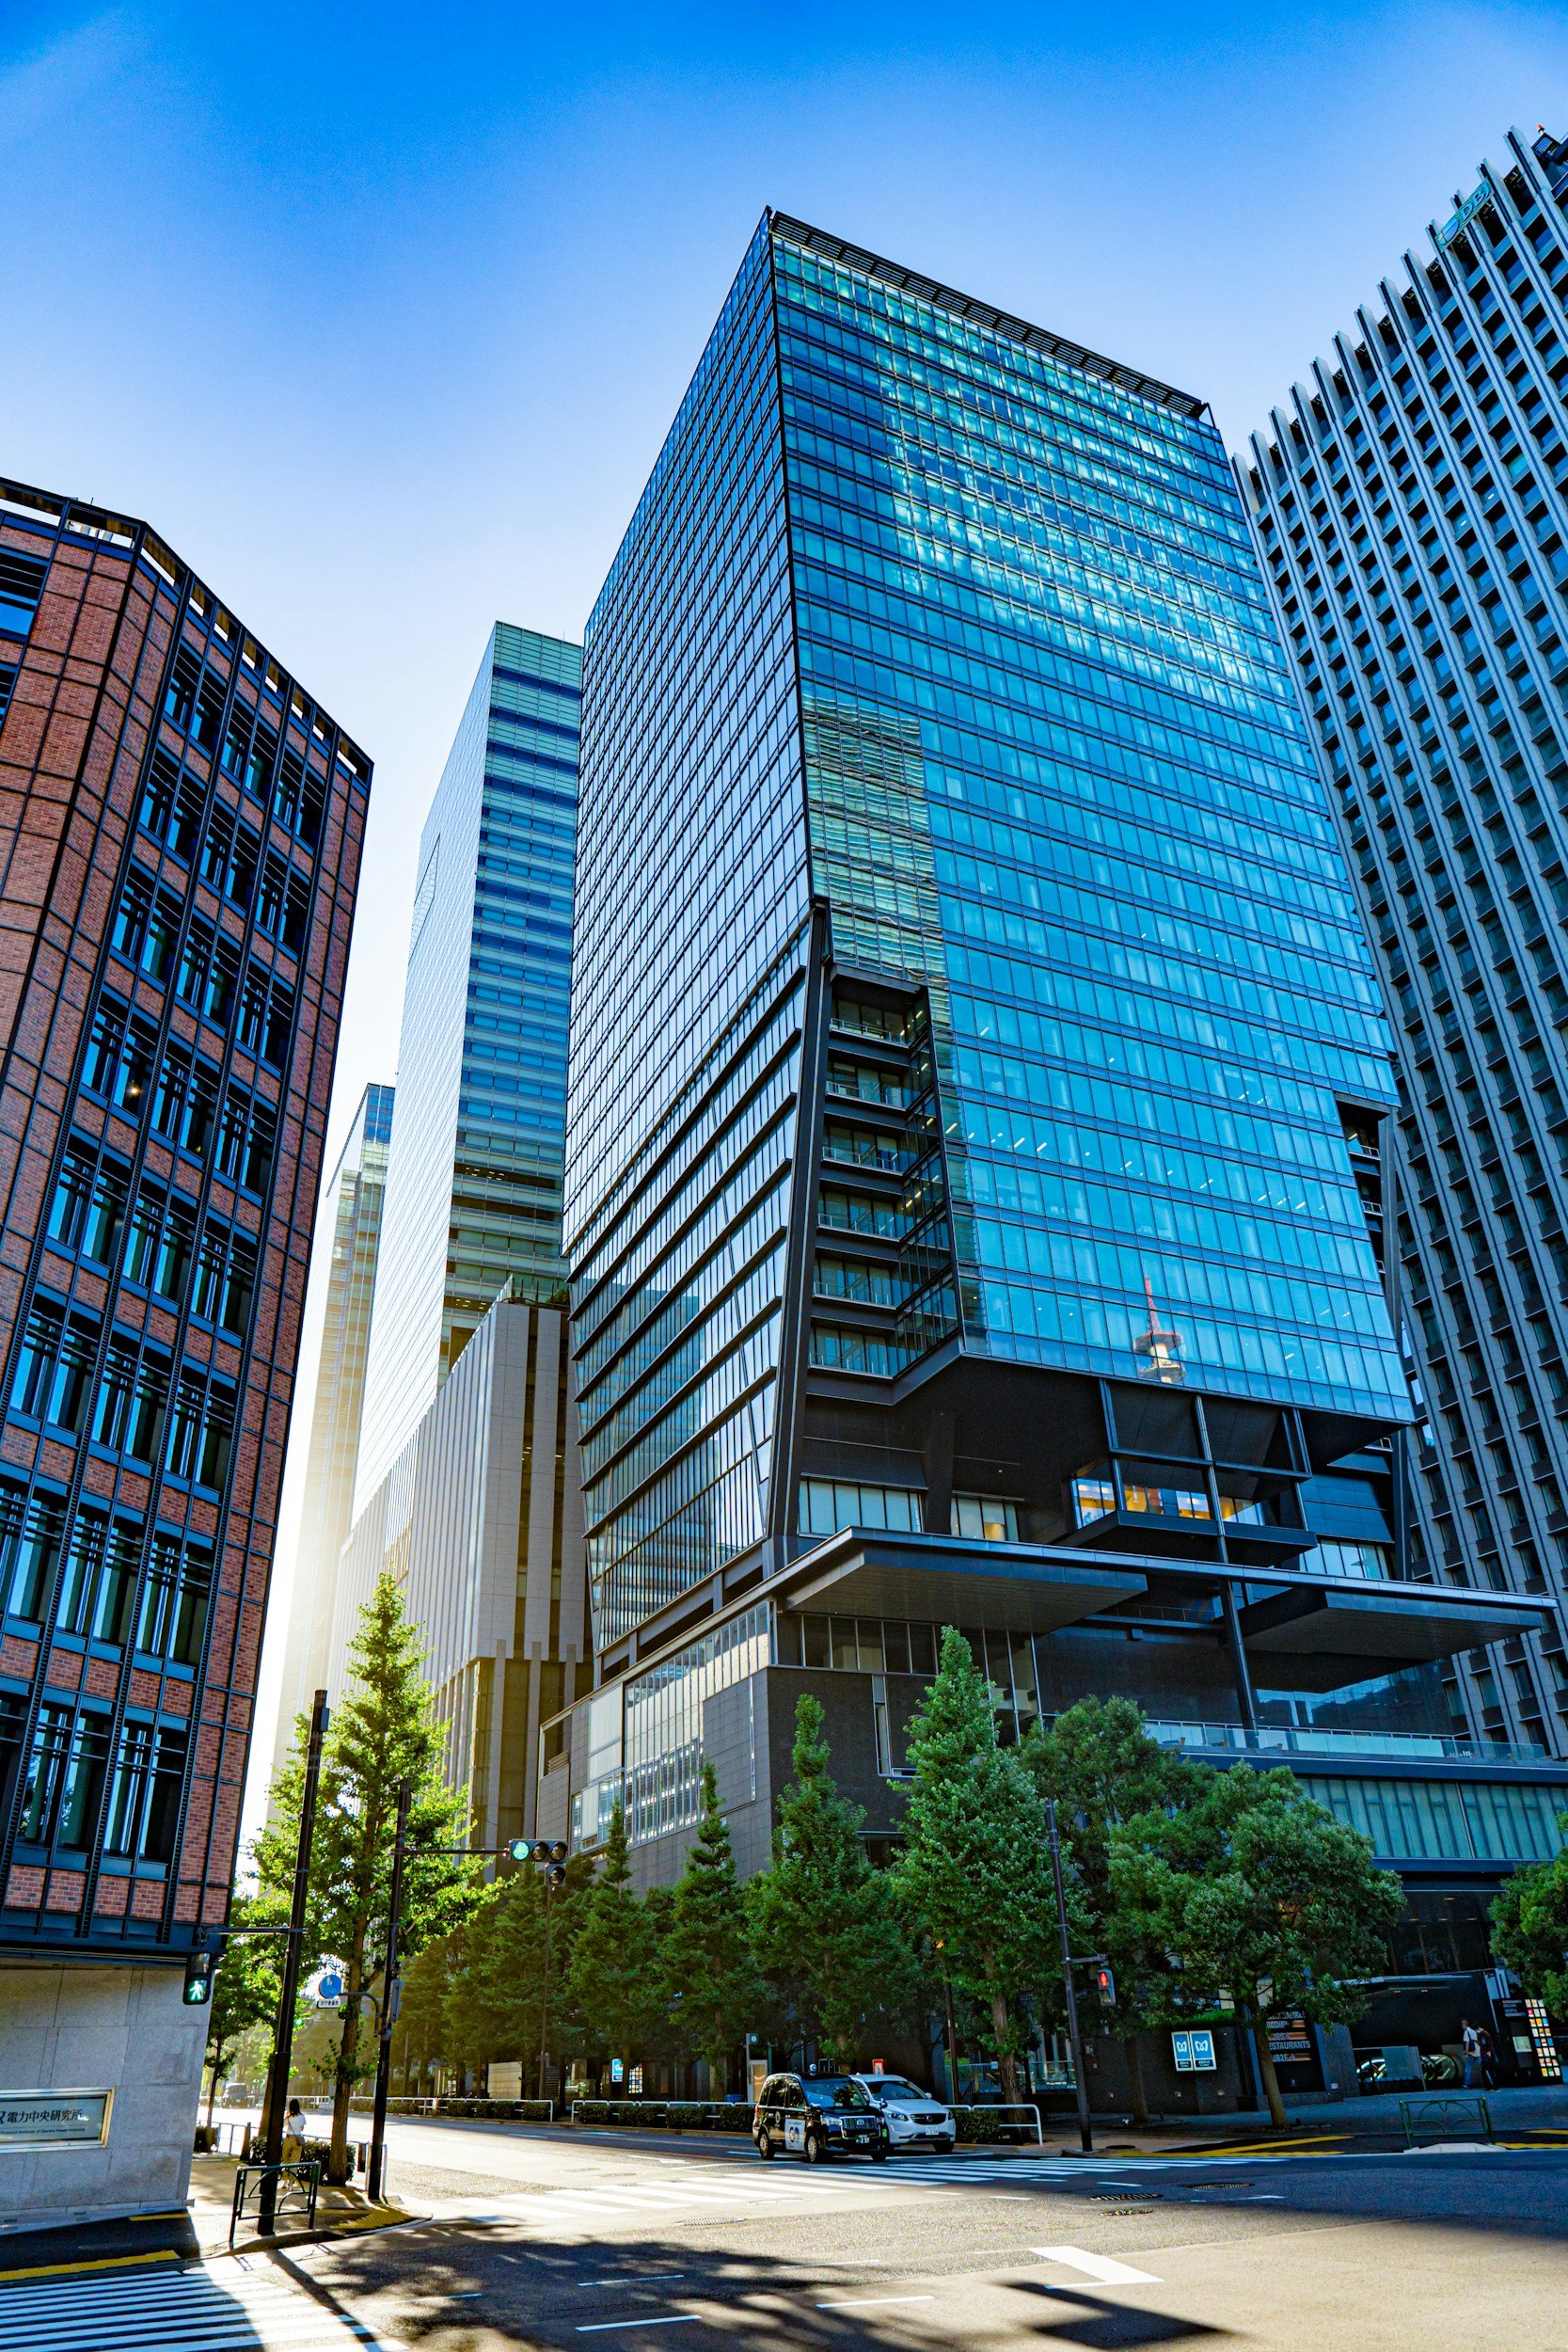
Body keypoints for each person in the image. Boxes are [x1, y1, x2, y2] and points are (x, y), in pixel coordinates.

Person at [1461, 2020, 1484, 2089]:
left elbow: (1467, 2043)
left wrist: (1466, 2053)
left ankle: (1467, 2083)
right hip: (1477, 2051)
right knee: (1483, 2067)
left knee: (1468, 2068)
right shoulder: (1473, 2031)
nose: (1462, 2026)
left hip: (1471, 2052)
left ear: (1464, 2025)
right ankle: (1490, 2080)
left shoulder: (1466, 2032)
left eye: (1462, 2025)